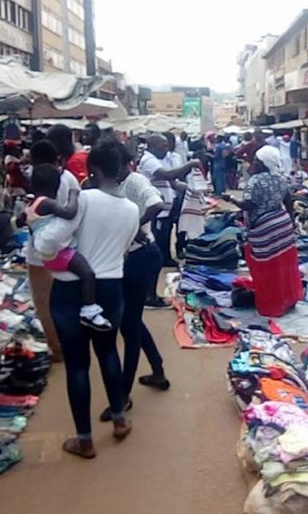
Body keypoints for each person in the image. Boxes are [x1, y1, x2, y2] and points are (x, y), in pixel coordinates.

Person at [35, 138, 140, 458]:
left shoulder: (83, 199)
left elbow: (48, 244)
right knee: (108, 352)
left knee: (78, 365)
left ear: (93, 168)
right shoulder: (132, 209)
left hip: (70, 290)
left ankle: (85, 440)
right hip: (110, 288)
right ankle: (119, 420)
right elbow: (123, 248)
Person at [97, 140, 170, 422]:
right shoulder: (112, 186)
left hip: (142, 256)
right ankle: (158, 370)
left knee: (129, 326)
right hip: (130, 258)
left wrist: (133, 226)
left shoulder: (135, 181)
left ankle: (123, 395)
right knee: (133, 321)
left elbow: (156, 203)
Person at [25, 165, 111, 332]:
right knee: (88, 274)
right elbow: (69, 212)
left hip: (45, 256)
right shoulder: (45, 202)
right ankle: (89, 310)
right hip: (60, 254)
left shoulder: (31, 205)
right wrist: (73, 195)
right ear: (56, 186)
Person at [223, 146, 303, 317]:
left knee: (266, 269)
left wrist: (231, 199)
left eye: (256, 161)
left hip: (264, 229)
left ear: (264, 164)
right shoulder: (280, 178)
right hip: (282, 224)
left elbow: (248, 205)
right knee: (285, 266)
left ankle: (272, 303)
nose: (253, 163)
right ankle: (289, 298)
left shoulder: (255, 181)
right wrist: (290, 223)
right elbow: (288, 201)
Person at [24, 139, 79, 362]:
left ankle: (59, 350)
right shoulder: (69, 179)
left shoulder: (43, 188)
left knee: (44, 303)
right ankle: (73, 340)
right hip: (66, 249)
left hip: (40, 255)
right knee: (66, 299)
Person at [138, 134, 201, 272]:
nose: (167, 149)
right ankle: (161, 260)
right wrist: (190, 164)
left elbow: (172, 183)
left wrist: (192, 188)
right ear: (153, 146)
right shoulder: (148, 161)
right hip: (155, 208)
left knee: (166, 232)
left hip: (165, 207)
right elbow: (168, 175)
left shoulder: (158, 160)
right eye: (163, 146)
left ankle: (166, 258)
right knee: (159, 234)